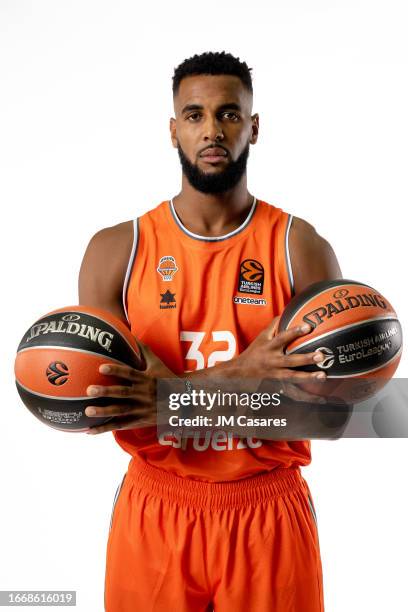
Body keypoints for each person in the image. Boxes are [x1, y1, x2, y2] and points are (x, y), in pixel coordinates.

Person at [79, 51, 341, 611]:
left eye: (228, 114)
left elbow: (338, 414)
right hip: (157, 509)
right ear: (172, 129)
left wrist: (170, 399)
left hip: (266, 512)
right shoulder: (116, 252)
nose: (211, 130)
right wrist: (247, 377)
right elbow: (99, 410)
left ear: (253, 126)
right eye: (194, 115)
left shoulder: (300, 249)